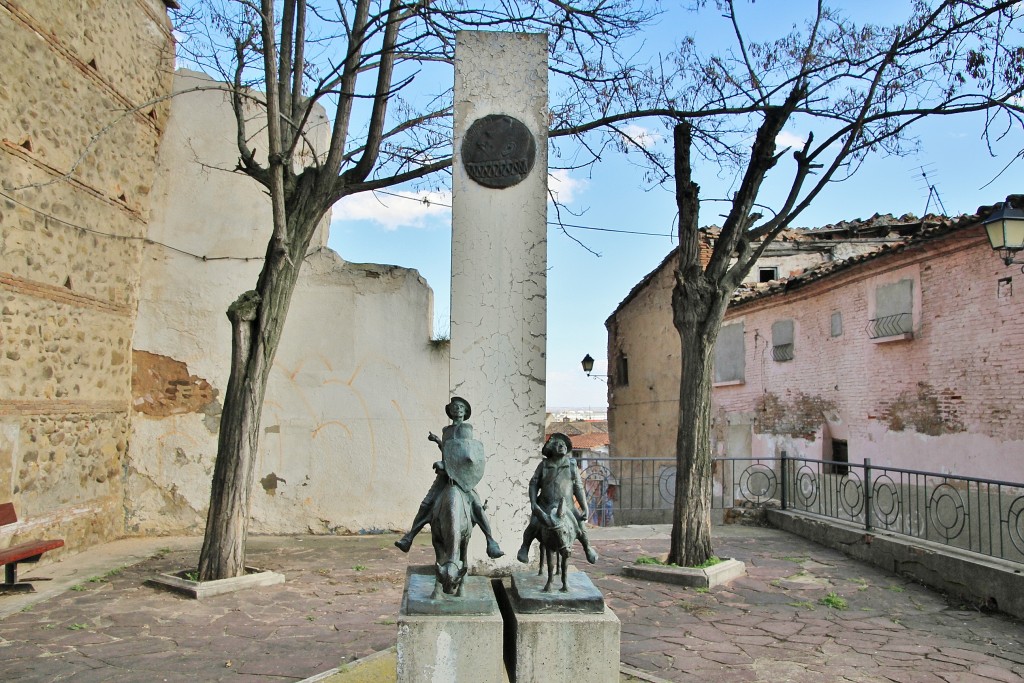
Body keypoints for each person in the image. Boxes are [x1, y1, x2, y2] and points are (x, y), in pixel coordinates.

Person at [394, 397, 504, 558]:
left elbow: (466, 456)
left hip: (461, 477)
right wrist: (438, 441)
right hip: (445, 477)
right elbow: (449, 451)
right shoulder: (446, 430)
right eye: (454, 406)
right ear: (450, 411)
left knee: (477, 507)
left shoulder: (466, 429)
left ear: (465, 412)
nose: (457, 409)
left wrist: (446, 465)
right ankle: (408, 538)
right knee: (426, 504)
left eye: (460, 407)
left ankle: (491, 542)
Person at [516, 432, 598, 564]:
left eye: (564, 444)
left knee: (580, 524)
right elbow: (533, 484)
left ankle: (587, 547)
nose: (562, 446)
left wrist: (584, 507)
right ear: (550, 448)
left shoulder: (571, 465)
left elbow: (578, 487)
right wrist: (533, 502)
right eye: (558, 444)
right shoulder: (544, 465)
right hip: (545, 505)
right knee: (533, 525)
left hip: (567, 506)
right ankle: (524, 547)